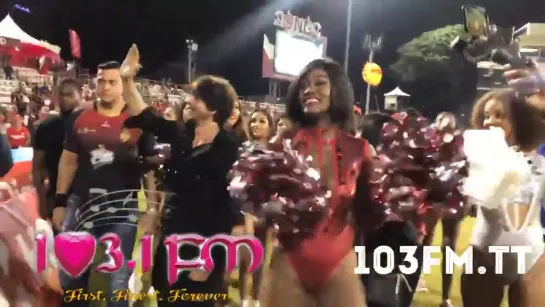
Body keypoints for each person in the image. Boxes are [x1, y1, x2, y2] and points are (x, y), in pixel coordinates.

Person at [120, 45, 242, 307]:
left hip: (204, 246)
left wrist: (212, 259)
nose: (188, 99)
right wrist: (127, 80)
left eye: (196, 96)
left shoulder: (230, 146)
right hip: (171, 240)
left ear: (213, 107)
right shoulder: (182, 133)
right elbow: (145, 116)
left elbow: (230, 210)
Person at [261, 58, 371, 307]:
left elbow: (368, 213)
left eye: (320, 83)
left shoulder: (360, 150)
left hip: (340, 262)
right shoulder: (282, 145)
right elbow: (258, 204)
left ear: (338, 90)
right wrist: (267, 210)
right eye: (303, 86)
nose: (309, 90)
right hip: (288, 262)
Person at [52, 61, 154, 307]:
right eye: (101, 81)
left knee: (117, 280)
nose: (106, 87)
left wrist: (151, 209)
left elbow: (150, 168)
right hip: (81, 205)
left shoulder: (139, 120)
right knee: (71, 272)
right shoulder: (79, 116)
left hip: (122, 209)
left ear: (123, 85)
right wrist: (59, 202)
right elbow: (68, 161)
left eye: (112, 81)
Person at [462, 88, 545, 307]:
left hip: (533, 255)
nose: (490, 122)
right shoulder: (473, 160)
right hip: (483, 252)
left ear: (520, 120)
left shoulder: (540, 162)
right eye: (486, 116)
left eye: (499, 115)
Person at [238, 109, 275, 307]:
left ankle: (256, 300)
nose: (256, 124)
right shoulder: (244, 149)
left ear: (270, 125)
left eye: (262, 121)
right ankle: (244, 300)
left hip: (268, 211)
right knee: (246, 258)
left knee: (263, 259)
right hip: (247, 210)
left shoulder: (277, 151)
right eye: (252, 120)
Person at [32, 78, 81, 219]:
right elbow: (37, 167)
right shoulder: (46, 126)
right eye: (62, 94)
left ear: (80, 95)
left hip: (85, 196)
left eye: (69, 94)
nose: (65, 99)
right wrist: (42, 205)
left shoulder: (90, 125)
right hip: (56, 196)